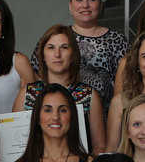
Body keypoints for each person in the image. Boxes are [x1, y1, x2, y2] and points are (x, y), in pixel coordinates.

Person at [32, 0, 128, 104]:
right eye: (79, 0)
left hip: (106, 112)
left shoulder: (118, 40)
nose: (85, 5)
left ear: (100, 4)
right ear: (70, 6)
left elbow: (126, 83)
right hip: (61, 109)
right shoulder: (56, 37)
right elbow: (36, 74)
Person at [18, 24, 106, 155]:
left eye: (64, 47)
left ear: (73, 54)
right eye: (51, 47)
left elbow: (99, 146)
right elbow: (13, 142)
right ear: (42, 55)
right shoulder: (27, 94)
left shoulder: (89, 95)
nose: (57, 54)